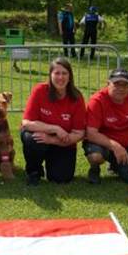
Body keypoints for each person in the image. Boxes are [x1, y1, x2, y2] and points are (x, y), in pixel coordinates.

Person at [21, 57, 86, 185]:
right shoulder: (39, 90)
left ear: (70, 76)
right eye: (56, 73)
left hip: (63, 142)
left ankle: (52, 161)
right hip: (40, 138)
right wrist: (55, 129)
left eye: (64, 73)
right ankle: (34, 172)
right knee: (32, 139)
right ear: (50, 75)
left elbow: (79, 133)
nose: (60, 77)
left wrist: (52, 140)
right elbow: (26, 123)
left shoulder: (77, 98)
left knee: (61, 178)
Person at [84, 68, 128, 185]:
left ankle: (115, 165)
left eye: (125, 85)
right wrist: (115, 146)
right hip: (101, 144)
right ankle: (94, 169)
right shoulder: (97, 100)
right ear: (108, 84)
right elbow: (91, 133)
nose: (121, 88)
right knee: (96, 157)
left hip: (125, 145)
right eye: (116, 84)